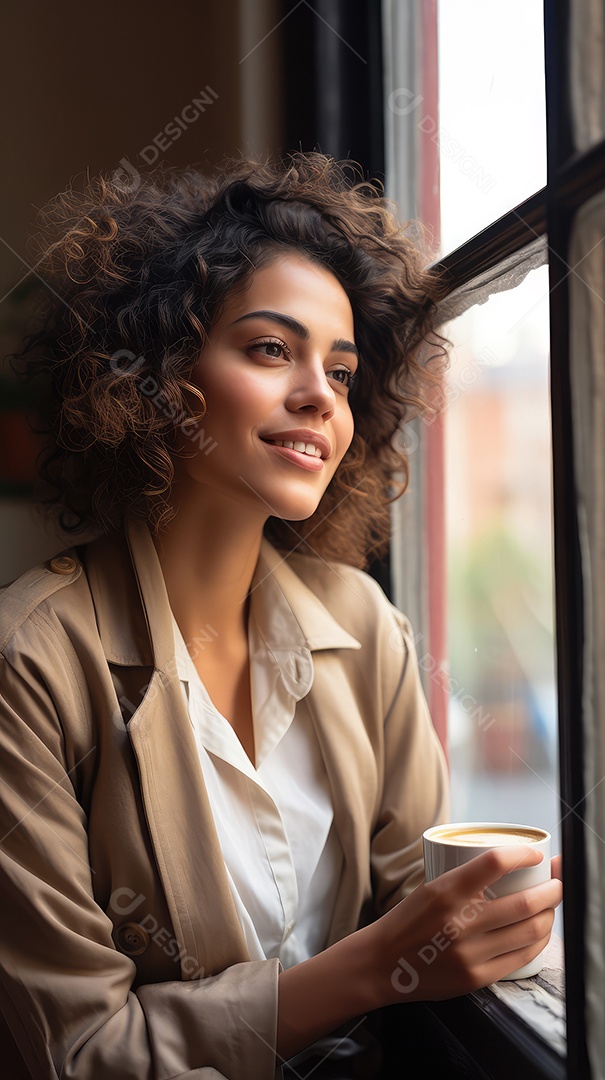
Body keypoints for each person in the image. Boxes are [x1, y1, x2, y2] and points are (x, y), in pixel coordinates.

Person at [0, 153, 562, 1079]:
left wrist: (499, 923)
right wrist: (374, 969)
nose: (319, 397)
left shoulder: (365, 627)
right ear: (156, 373)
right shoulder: (34, 661)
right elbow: (81, 1052)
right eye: (270, 349)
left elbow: (412, 909)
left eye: (341, 372)